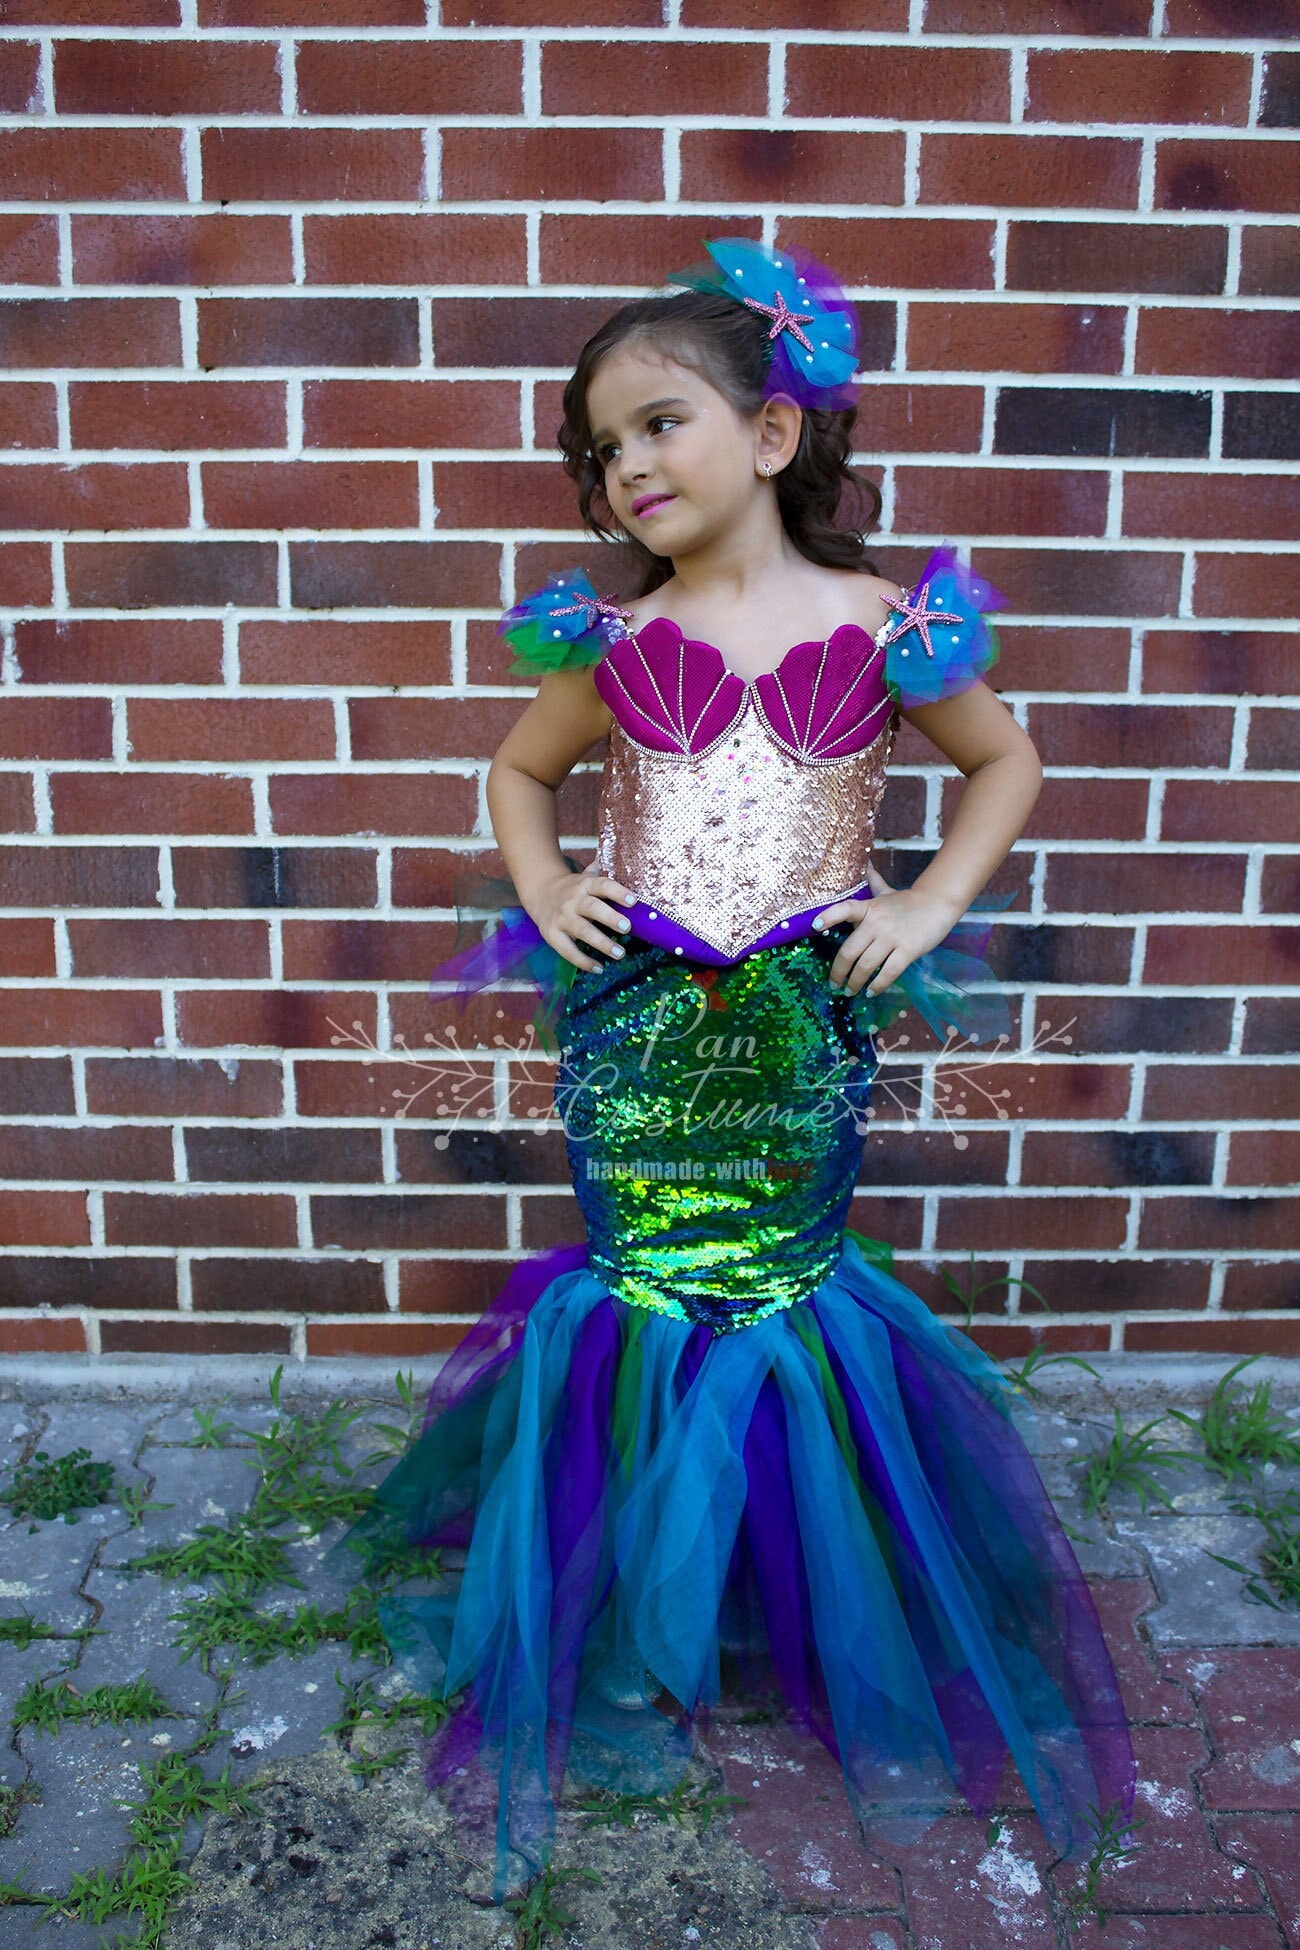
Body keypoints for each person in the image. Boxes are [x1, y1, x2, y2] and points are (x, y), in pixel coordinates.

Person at [334, 237, 1136, 1904]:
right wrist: (551, 883)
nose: (627, 465)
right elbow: (518, 768)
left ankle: (766, 1586)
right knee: (645, 1288)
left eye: (657, 423)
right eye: (600, 448)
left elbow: (1005, 759)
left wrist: (924, 901)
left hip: (798, 1032)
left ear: (771, 435)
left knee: (771, 1286)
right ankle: (636, 1608)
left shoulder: (884, 624)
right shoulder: (611, 646)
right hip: (637, 1037)